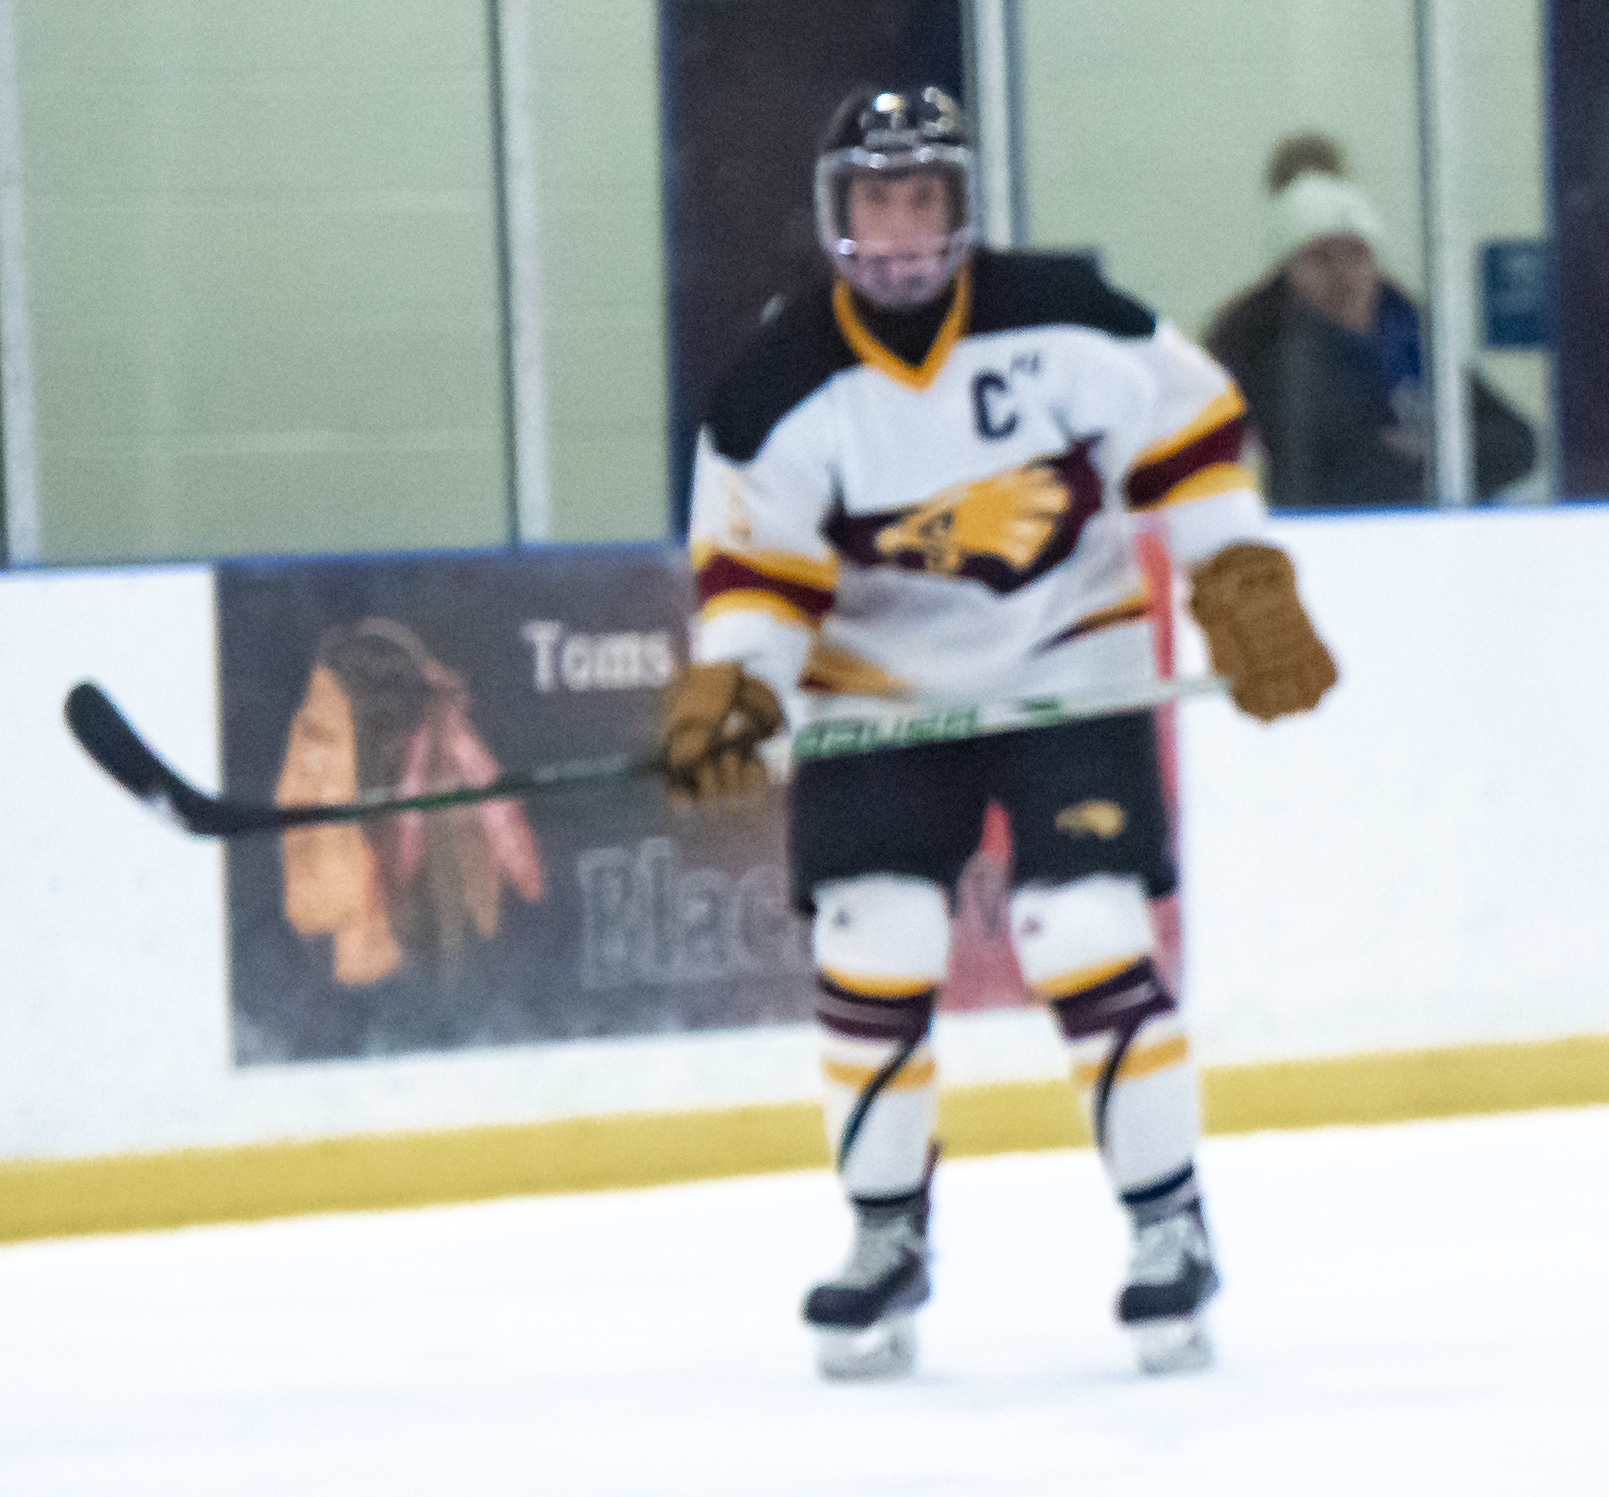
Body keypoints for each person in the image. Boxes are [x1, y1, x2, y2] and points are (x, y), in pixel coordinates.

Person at [658, 85, 1340, 1382]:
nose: (903, 229)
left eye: (925, 199)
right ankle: (882, 1237)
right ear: (834, 216)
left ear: (962, 206)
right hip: (874, 693)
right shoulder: (776, 380)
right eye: (877, 200)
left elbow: (1192, 434)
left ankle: (1165, 1227)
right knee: (877, 935)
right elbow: (753, 576)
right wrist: (736, 683)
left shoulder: (1066, 315)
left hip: (1066, 666)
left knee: (1081, 926)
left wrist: (1238, 574)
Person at [1202, 135, 1538, 508]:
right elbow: (1333, 474)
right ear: (1289, 268)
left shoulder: (1406, 323)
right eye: (1320, 258)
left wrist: (1421, 453)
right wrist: (1434, 451)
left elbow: (1518, 441)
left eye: (1355, 254)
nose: (1343, 274)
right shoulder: (1258, 341)